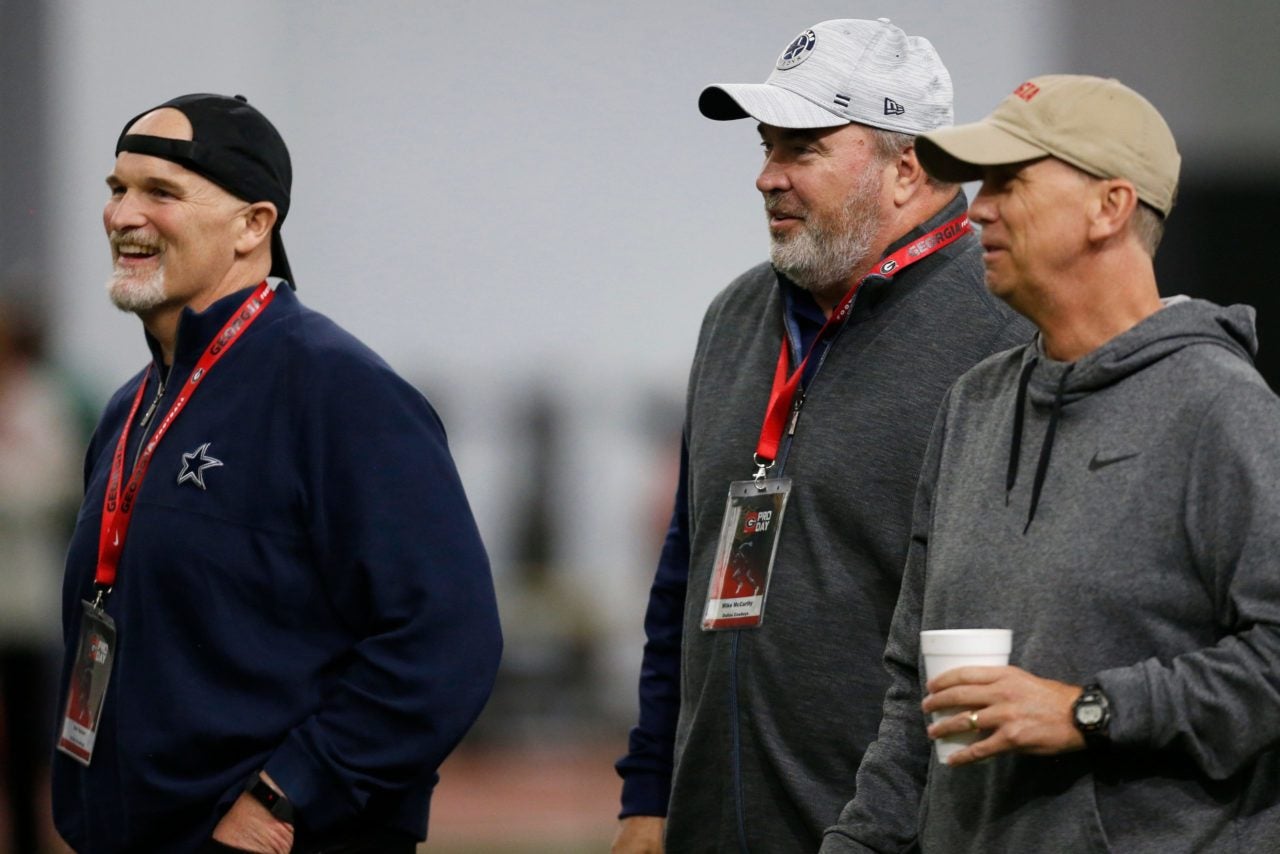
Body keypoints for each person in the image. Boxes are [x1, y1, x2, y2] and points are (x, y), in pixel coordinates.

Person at [822, 74, 1280, 853]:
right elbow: (913, 694)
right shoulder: (973, 405)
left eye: (1010, 182)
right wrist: (861, 843)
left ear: (1110, 206)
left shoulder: (1219, 407)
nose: (979, 209)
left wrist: (1087, 711)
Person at [613, 19, 1031, 852]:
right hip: (714, 826)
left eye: (802, 149)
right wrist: (649, 794)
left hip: (901, 833)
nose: (767, 177)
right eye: (766, 146)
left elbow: (1020, 626)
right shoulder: (735, 317)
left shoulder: (1004, 334)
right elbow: (683, 576)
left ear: (907, 167)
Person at [51, 93, 503, 854]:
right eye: (117, 188)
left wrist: (286, 795)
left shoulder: (339, 390)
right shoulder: (130, 407)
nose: (124, 215)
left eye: (161, 192)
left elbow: (445, 639)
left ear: (253, 225)